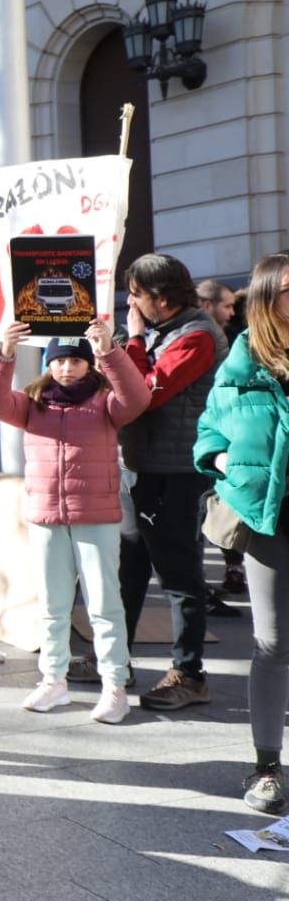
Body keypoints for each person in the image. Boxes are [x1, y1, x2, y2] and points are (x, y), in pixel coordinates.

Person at [0, 322, 150, 723]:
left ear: (88, 363)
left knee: (105, 606)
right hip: (46, 516)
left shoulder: (105, 402)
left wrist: (110, 350)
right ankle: (53, 680)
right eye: (60, 361)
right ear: (49, 364)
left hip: (96, 516)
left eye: (76, 360)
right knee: (53, 605)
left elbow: (137, 397)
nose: (68, 369)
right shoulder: (32, 402)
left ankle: (114, 685)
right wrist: (4, 353)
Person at [196, 252, 289, 813]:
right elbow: (209, 429)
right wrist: (227, 463)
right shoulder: (243, 359)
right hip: (269, 517)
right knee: (273, 642)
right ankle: (266, 767)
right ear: (266, 298)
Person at [119, 253, 227, 710]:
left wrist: (135, 340)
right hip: (144, 463)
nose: (131, 302)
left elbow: (144, 393)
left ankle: (190, 673)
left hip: (175, 470)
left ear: (158, 297)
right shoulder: (168, 330)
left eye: (136, 294)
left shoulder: (197, 335)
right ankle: (114, 659)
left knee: (179, 574)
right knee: (129, 567)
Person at [197, 279, 247, 599]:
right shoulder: (217, 340)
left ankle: (233, 568)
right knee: (211, 506)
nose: (229, 312)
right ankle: (226, 569)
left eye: (232, 306)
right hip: (214, 441)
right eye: (224, 306)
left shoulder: (228, 336)